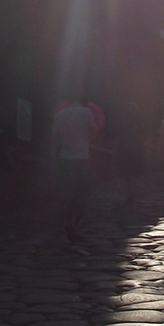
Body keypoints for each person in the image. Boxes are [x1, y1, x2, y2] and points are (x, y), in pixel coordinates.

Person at [52, 96, 100, 244]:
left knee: (67, 192)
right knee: (82, 192)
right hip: (82, 157)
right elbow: (92, 133)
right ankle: (73, 222)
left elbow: (55, 137)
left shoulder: (59, 114)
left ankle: (67, 220)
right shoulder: (87, 112)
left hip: (64, 157)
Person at [114, 104, 145, 210]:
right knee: (133, 174)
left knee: (128, 174)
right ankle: (132, 194)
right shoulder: (139, 124)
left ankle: (131, 195)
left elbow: (117, 138)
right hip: (134, 151)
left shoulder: (122, 124)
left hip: (126, 151)